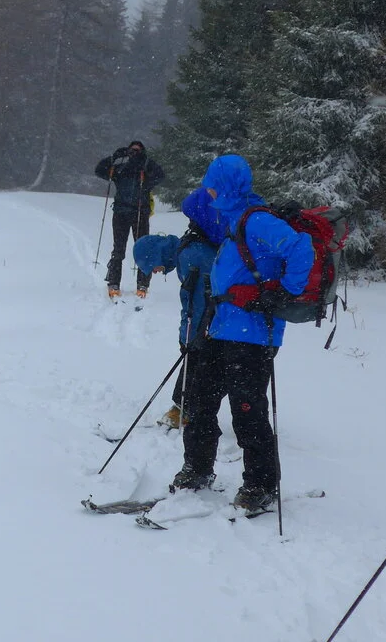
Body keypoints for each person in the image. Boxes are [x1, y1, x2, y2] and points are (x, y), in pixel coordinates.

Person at [169, 154, 313, 512]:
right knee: (200, 401)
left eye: (213, 185)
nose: (210, 192)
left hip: (253, 335)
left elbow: (300, 248)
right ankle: (197, 469)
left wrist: (278, 293)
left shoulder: (257, 219)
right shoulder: (234, 219)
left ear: (226, 186)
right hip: (221, 328)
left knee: (247, 411)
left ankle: (261, 485)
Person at [132, 186, 225, 431]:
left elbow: (195, 304)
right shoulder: (188, 246)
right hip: (221, 316)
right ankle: (186, 409)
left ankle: (185, 411)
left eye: (152, 266)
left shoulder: (189, 257)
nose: (155, 272)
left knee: (198, 358)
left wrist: (188, 336)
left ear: (156, 255)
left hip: (217, 319)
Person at [94, 140, 165, 298]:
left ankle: (143, 284)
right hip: (121, 213)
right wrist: (114, 157)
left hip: (141, 213)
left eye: (138, 151)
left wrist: (146, 161)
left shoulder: (146, 170)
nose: (135, 153)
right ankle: (113, 282)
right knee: (118, 249)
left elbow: (161, 175)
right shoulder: (121, 169)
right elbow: (99, 170)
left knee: (143, 249)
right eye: (132, 150)